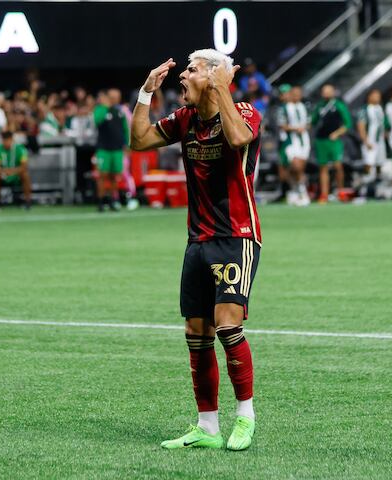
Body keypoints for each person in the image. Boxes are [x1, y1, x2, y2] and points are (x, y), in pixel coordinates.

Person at [130, 50, 262, 451]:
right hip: (197, 240)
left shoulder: (244, 111)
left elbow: (239, 138)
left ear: (214, 77)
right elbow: (139, 142)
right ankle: (207, 426)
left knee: (227, 325)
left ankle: (245, 417)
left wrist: (222, 85)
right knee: (197, 332)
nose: (182, 77)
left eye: (191, 71)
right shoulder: (185, 120)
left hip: (236, 236)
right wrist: (144, 94)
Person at [311, 84, 352, 203]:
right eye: (324, 91)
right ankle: (324, 194)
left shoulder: (339, 105)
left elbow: (347, 124)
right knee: (323, 167)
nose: (326, 93)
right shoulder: (319, 106)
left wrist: (337, 133)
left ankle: (340, 191)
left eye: (328, 91)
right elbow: (313, 121)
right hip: (321, 139)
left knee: (338, 166)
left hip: (334, 140)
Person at [94, 88, 130, 212]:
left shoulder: (119, 112)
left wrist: (126, 144)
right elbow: (97, 120)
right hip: (104, 148)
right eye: (113, 96)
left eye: (117, 96)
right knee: (103, 175)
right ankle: (101, 201)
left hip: (117, 149)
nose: (115, 99)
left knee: (115, 176)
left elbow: (125, 129)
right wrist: (104, 107)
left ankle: (113, 200)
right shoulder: (100, 109)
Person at [277, 85, 311, 206]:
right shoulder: (284, 108)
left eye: (299, 93)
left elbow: (309, 122)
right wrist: (295, 128)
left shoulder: (304, 106)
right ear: (290, 94)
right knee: (296, 166)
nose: (297, 95)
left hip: (304, 141)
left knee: (299, 168)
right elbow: (282, 125)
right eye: (294, 93)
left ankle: (295, 191)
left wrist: (305, 127)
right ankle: (303, 192)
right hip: (291, 141)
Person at [0, 131, 32, 210]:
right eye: (5, 140)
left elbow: (24, 166)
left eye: (8, 140)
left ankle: (28, 201)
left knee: (25, 174)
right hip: (3, 175)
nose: (7, 142)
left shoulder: (20, 149)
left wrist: (13, 171)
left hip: (16, 175)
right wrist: (4, 172)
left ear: (12, 140)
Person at [356, 89, 387, 195]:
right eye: (375, 95)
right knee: (368, 164)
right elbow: (361, 125)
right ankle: (363, 190)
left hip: (380, 142)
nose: (377, 97)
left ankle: (377, 189)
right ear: (369, 96)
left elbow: (382, 125)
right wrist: (366, 141)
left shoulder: (380, 108)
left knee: (379, 164)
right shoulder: (364, 109)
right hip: (370, 141)